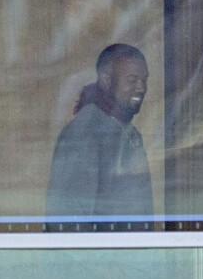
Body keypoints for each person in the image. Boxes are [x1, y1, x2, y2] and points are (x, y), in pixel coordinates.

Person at [46, 44, 153, 224]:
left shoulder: (129, 133)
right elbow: (71, 224)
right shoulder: (84, 134)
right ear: (106, 81)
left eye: (144, 80)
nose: (141, 88)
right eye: (132, 80)